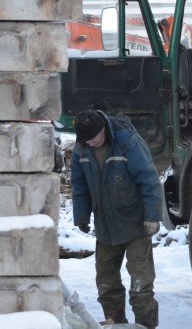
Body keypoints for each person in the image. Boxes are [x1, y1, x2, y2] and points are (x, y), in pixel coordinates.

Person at [71, 109, 163, 329]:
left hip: (135, 224)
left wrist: (152, 217)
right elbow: (79, 185)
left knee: (141, 285)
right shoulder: (82, 148)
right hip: (105, 226)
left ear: (103, 128)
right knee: (106, 282)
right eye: (86, 140)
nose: (91, 143)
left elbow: (149, 180)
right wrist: (81, 215)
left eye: (94, 138)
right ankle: (117, 324)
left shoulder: (127, 142)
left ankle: (146, 325)